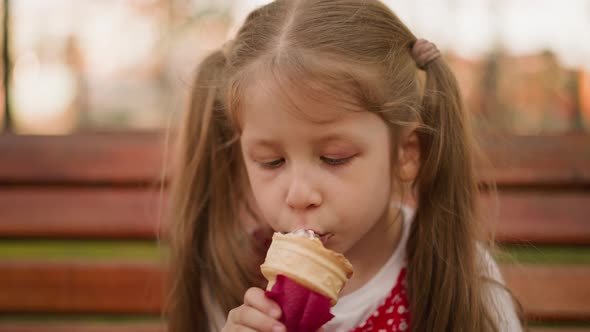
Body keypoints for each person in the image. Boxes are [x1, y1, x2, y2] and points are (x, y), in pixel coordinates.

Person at [164, 1, 524, 331]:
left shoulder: (458, 272)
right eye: (271, 162)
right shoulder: (235, 274)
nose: (300, 194)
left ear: (405, 154)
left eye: (334, 158)